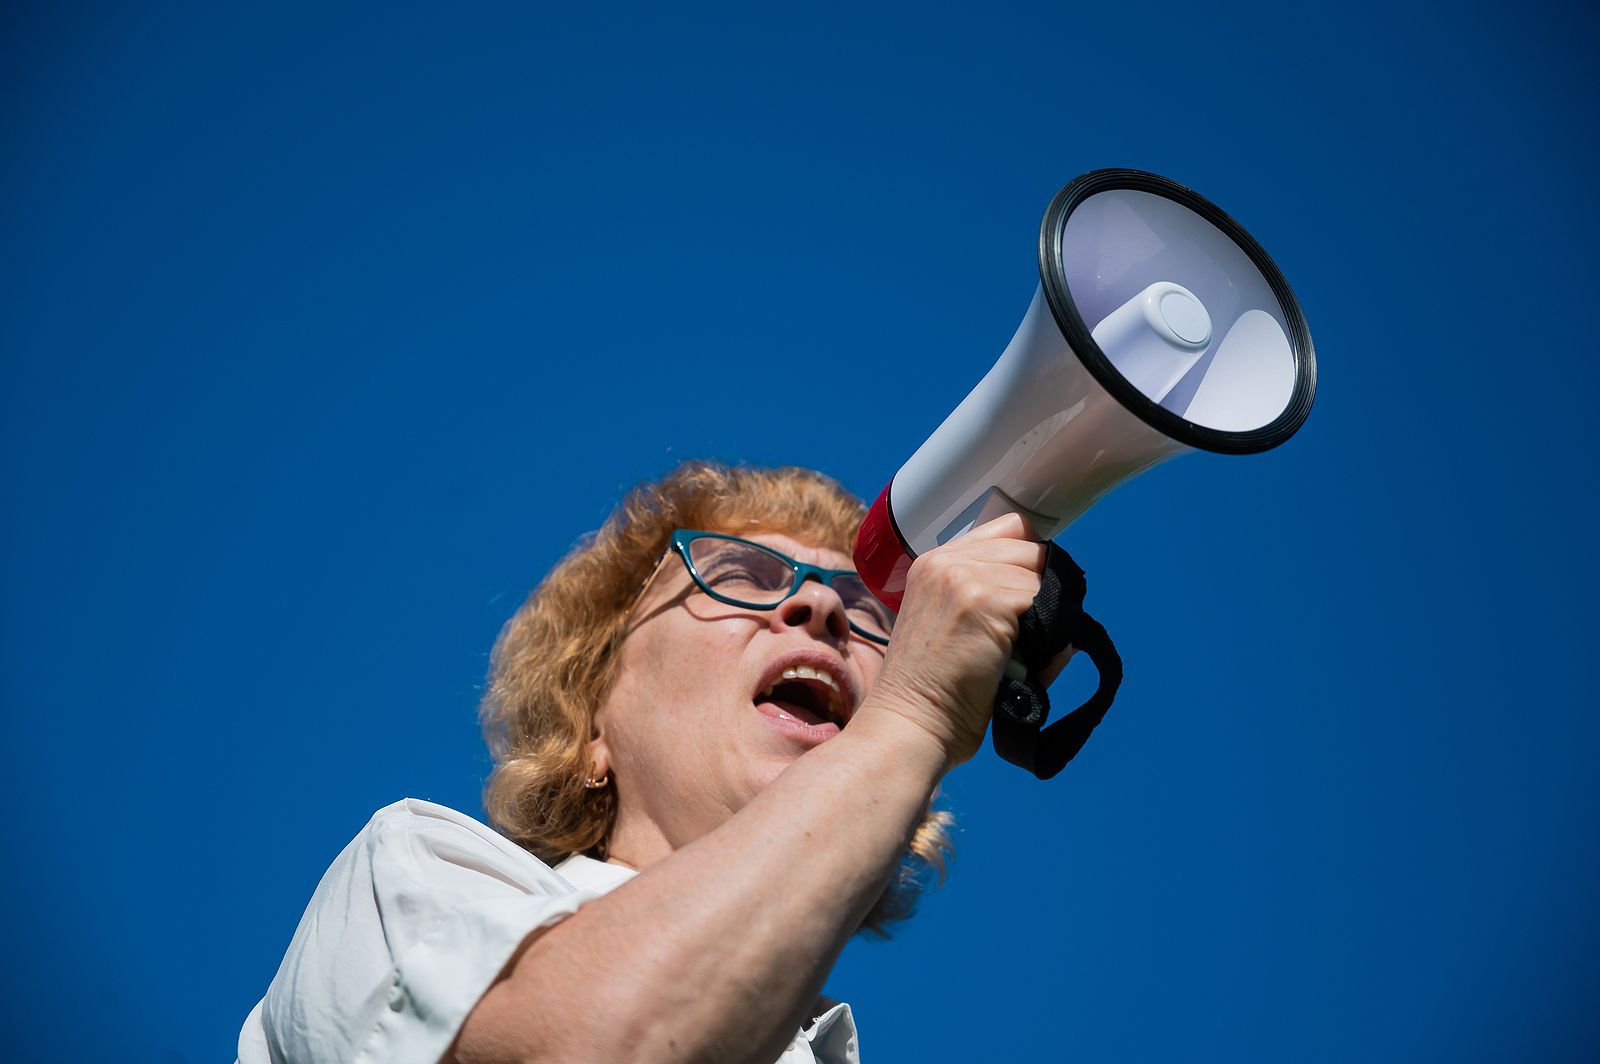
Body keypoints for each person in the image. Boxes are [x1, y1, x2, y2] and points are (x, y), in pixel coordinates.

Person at [237, 460, 1062, 1064]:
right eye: (743, 577)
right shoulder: (416, 883)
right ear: (593, 719)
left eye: (869, 612)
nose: (818, 608)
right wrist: (911, 718)